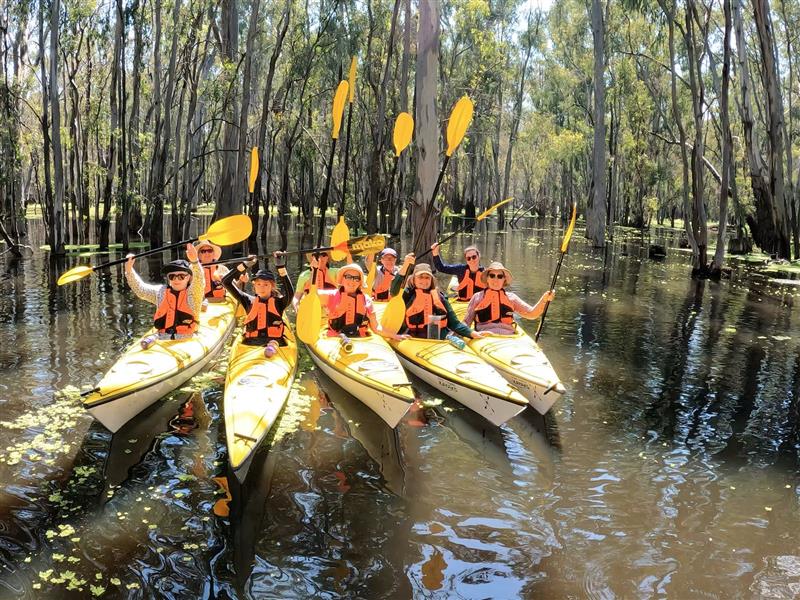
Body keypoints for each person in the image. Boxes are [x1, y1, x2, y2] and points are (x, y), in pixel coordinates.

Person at [125, 243, 205, 349]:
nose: (176, 279)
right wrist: (129, 270)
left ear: (188, 277)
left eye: (181, 276)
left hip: (186, 338)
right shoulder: (160, 292)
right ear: (168, 279)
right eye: (172, 276)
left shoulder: (193, 293)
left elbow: (199, 281)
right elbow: (141, 290)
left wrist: (195, 262)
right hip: (162, 339)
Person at [390, 254, 485, 341]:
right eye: (420, 277)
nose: (424, 280)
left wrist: (472, 333)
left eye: (427, 277)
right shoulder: (407, 294)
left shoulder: (439, 297)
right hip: (411, 338)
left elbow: (454, 323)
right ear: (414, 279)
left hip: (435, 339)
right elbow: (393, 291)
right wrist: (405, 265)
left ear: (431, 279)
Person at [222, 251, 292, 357]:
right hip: (250, 342)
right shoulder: (248, 300)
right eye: (258, 284)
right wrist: (244, 265)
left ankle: (272, 347)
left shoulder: (279, 303)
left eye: (265, 284)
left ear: (272, 286)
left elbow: (290, 293)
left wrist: (280, 267)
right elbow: (225, 281)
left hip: (276, 340)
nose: (261, 287)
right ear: (254, 286)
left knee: (273, 343)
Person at [463, 261, 555, 335]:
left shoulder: (512, 298)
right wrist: (453, 337)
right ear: (487, 278)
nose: (496, 279)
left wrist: (544, 300)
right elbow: (466, 323)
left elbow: (532, 314)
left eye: (500, 276)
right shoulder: (477, 297)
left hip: (508, 337)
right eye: (492, 276)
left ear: (504, 280)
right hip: (485, 337)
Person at [325, 263, 402, 340]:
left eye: (356, 278)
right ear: (342, 279)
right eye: (348, 277)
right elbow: (314, 293)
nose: (352, 281)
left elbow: (376, 328)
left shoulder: (367, 300)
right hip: (336, 338)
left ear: (360, 282)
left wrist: (394, 336)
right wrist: (314, 268)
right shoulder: (331, 295)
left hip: (361, 340)